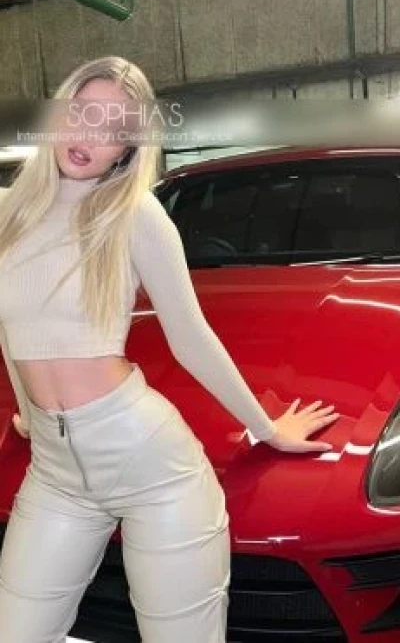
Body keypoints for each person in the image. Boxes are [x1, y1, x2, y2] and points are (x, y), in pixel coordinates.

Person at [0, 56, 339, 643]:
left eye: (114, 129)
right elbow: (10, 330)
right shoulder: (9, 213)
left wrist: (266, 428)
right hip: (56, 474)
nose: (89, 137)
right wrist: (32, 415)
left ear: (126, 152)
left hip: (152, 469)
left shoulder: (134, 214)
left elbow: (190, 336)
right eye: (83, 113)